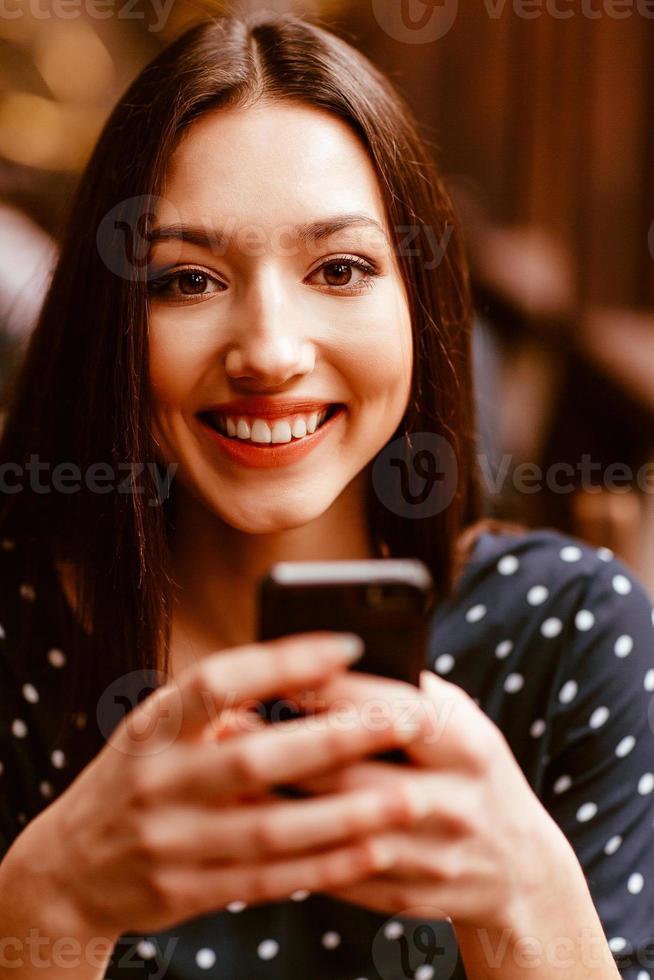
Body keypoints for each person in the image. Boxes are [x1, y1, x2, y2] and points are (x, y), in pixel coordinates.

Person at [0, 11, 652, 980]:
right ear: (109, 321)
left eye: (339, 268)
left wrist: (525, 898)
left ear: (419, 299)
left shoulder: (574, 631)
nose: (268, 350)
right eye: (186, 278)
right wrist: (47, 909)